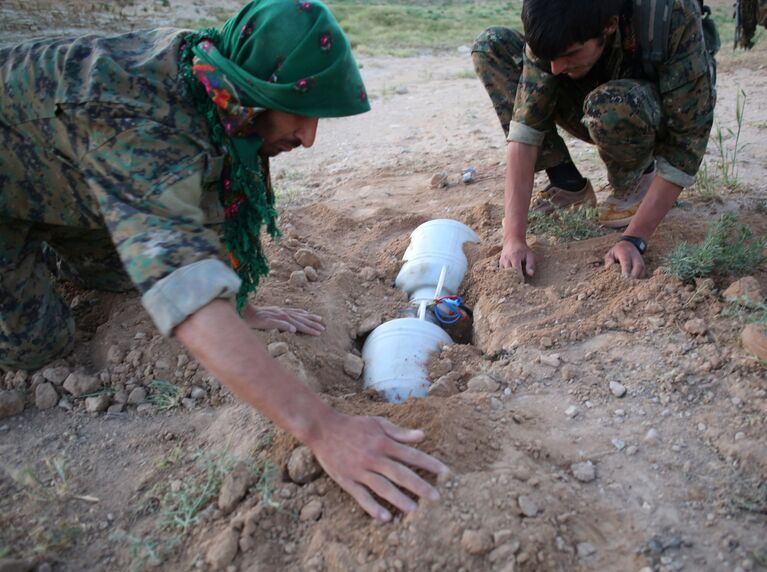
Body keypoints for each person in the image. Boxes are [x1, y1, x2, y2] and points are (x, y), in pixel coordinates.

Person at [0, 0, 448, 522]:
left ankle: (62, 234)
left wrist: (239, 305)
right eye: (303, 115)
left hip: (56, 168)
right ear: (260, 94)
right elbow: (187, 296)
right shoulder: (144, 125)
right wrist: (324, 429)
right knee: (39, 345)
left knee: (123, 277)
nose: (309, 138)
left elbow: (211, 209)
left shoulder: (215, 78)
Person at [472, 0, 717, 279]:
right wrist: (513, 238)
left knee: (609, 103)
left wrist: (633, 239)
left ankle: (636, 183)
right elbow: (526, 128)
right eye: (550, 58)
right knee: (491, 44)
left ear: (610, 25)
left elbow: (686, 143)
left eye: (569, 54)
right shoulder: (557, 25)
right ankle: (568, 184)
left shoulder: (671, 14)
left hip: (646, 110)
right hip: (592, 99)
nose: (554, 68)